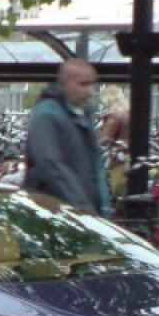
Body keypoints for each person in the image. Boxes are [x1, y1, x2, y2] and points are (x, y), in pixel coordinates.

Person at [23, 58, 111, 214]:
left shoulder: (82, 113)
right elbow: (51, 165)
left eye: (92, 84)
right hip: (57, 214)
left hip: (79, 212)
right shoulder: (47, 114)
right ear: (65, 83)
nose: (89, 90)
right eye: (83, 84)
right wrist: (81, 208)